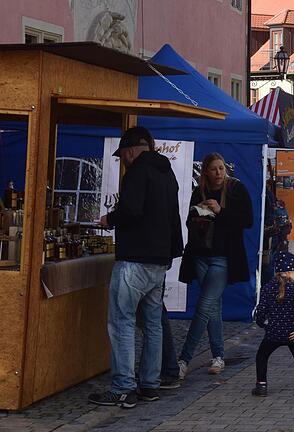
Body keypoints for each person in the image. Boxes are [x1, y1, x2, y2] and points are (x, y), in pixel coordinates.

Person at [89, 127, 182, 408]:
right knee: (152, 325)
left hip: (135, 260)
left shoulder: (138, 172)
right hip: (160, 260)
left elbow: (131, 210)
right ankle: (150, 385)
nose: (123, 161)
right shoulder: (167, 172)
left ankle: (123, 388)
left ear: (130, 151)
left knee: (122, 322)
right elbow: (172, 215)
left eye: (123, 156)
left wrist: (110, 219)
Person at [178, 153, 254, 379]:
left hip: (223, 256)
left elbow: (247, 221)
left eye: (221, 168)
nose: (219, 173)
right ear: (206, 172)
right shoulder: (198, 191)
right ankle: (218, 356)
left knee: (204, 306)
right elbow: (189, 222)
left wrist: (220, 211)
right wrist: (200, 214)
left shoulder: (235, 189)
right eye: (214, 169)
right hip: (200, 255)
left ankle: (184, 359)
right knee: (213, 307)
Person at [252, 252, 294, 397]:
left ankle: (261, 386)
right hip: (293, 333)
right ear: (287, 272)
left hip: (273, 333)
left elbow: (261, 310)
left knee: (262, 356)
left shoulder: (267, 288)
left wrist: (262, 324)